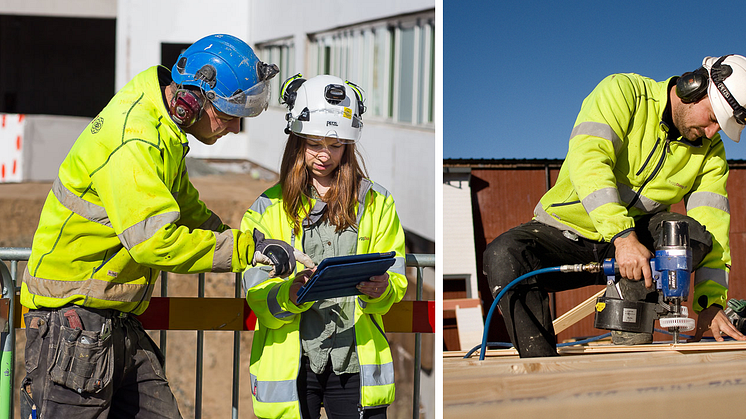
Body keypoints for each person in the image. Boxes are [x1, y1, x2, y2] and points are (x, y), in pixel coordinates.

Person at [19, 34, 312, 418]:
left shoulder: (163, 130)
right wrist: (243, 253)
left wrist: (254, 244)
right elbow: (154, 241)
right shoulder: (136, 139)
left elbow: (186, 208)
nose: (236, 130)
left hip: (109, 318)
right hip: (71, 321)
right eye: (228, 116)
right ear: (192, 101)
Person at [483, 54, 746, 358]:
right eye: (713, 118)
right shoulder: (623, 92)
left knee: (693, 236)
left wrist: (709, 304)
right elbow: (590, 162)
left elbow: (712, 225)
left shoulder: (710, 150)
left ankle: (631, 346)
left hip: (635, 244)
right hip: (568, 231)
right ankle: (540, 365)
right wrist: (622, 236)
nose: (713, 133)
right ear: (693, 87)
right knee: (504, 255)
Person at [241, 74, 407, 419]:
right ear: (297, 141)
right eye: (314, 143)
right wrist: (290, 293)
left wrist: (381, 289)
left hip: (353, 360)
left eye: (335, 145)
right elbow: (256, 290)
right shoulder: (266, 208)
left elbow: (397, 279)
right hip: (293, 364)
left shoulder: (376, 203)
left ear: (348, 145)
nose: (324, 155)